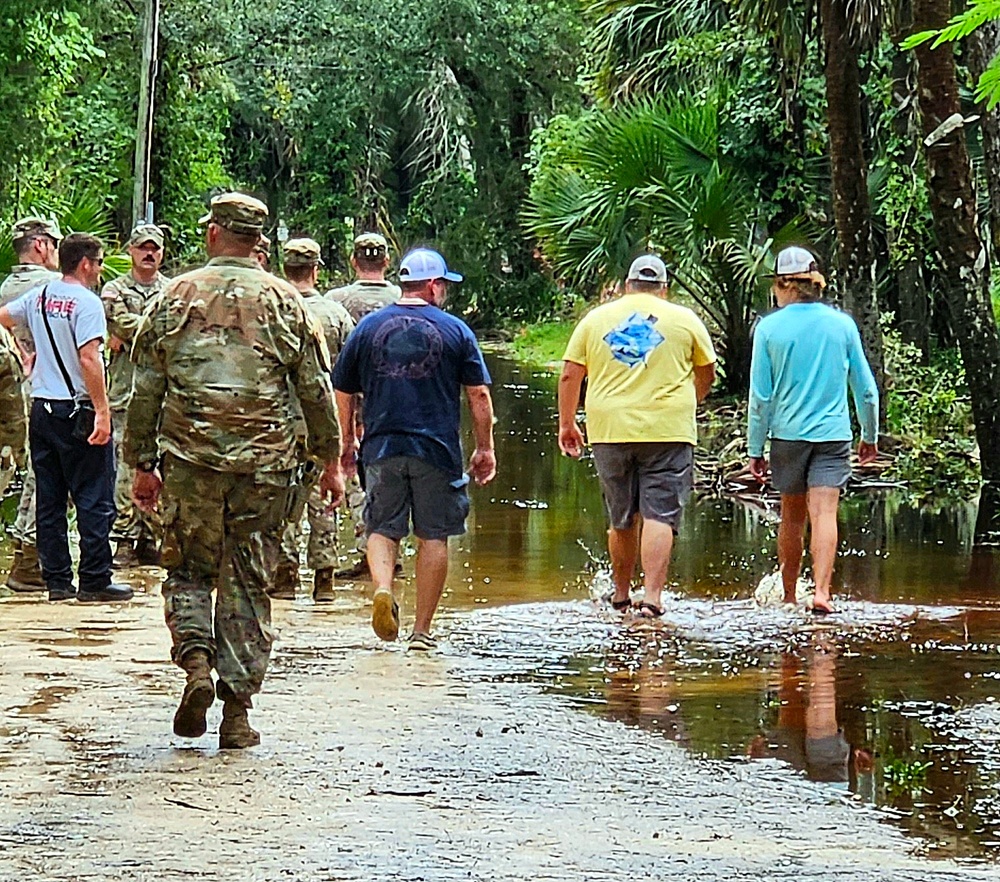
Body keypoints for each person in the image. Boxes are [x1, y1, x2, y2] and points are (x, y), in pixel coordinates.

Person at [126, 193, 343, 749]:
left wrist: (141, 463)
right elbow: (316, 391)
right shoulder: (287, 301)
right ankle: (237, 713)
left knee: (190, 570)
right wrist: (330, 461)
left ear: (216, 233)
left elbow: (146, 386)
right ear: (256, 240)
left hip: (189, 463)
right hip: (266, 468)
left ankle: (196, 662)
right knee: (249, 580)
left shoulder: (175, 295)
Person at [332, 247, 496, 650]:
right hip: (436, 450)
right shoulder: (457, 331)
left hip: (382, 445)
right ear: (434, 285)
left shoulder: (368, 328)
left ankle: (384, 589)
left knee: (381, 527)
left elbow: (342, 389)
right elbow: (478, 395)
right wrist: (484, 448)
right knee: (434, 534)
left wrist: (346, 442)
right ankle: (422, 631)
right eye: (444, 286)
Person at [558, 255, 716, 618]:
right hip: (669, 431)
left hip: (610, 431)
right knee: (660, 513)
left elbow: (570, 375)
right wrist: (689, 401)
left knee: (622, 515)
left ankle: (620, 593)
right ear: (664, 288)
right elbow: (707, 371)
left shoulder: (595, 320)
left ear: (627, 285)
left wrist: (567, 423)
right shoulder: (685, 319)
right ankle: (654, 598)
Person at [0, 233, 133, 603]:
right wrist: (102, 412)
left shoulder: (39, 296)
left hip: (42, 408)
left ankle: (57, 581)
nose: (102, 269)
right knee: (93, 495)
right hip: (78, 409)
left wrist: (24, 352)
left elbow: (3, 318)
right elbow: (90, 358)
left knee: (50, 498)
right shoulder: (87, 303)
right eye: (100, 262)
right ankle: (94, 579)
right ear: (87, 264)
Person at [747, 246, 879, 615]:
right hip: (833, 436)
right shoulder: (842, 325)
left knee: (791, 515)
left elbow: (760, 397)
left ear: (784, 284)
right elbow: (866, 389)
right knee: (824, 513)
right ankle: (821, 593)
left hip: (787, 436)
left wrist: (755, 449)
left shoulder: (769, 328)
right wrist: (870, 435)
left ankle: (789, 596)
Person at [273, 237, 354, 602]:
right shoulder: (336, 315)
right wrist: (354, 428)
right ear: (316, 269)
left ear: (283, 267)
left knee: (283, 502)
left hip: (277, 424)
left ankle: (285, 576)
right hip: (325, 420)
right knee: (325, 496)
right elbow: (352, 379)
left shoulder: (272, 307)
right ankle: (324, 578)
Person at [328, 232, 402, 579]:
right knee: (393, 478)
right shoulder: (404, 299)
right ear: (386, 262)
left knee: (353, 478)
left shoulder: (335, 301)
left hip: (347, 402)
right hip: (394, 404)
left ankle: (368, 553)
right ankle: (391, 551)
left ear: (354, 261)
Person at [0, 217, 63, 592]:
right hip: (45, 392)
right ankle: (29, 556)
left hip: (13, 393)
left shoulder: (6, 288)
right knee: (49, 474)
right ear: (40, 245)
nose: (54, 251)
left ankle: (27, 554)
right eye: (52, 244)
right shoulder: (56, 288)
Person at [101, 223, 170, 568]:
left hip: (166, 397)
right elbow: (115, 320)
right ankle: (125, 538)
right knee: (126, 470)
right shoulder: (114, 288)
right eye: (143, 247)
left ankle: (153, 536)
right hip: (125, 392)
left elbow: (174, 328)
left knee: (163, 468)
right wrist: (149, 330)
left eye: (155, 249)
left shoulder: (173, 290)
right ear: (131, 250)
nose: (149, 254)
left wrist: (132, 333)